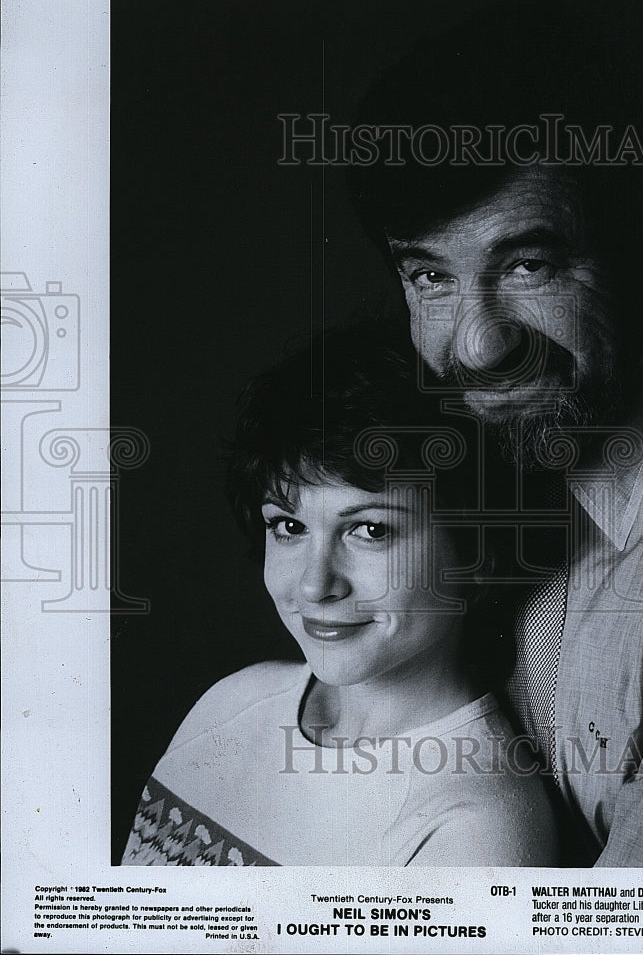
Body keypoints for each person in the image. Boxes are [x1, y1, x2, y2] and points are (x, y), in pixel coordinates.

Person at [347, 0, 643, 866]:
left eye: (529, 264)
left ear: (642, 246)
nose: (476, 345)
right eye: (429, 277)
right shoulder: (481, 481)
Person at [121, 329, 558, 867]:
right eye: (288, 526)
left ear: (478, 554)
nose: (314, 584)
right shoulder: (233, 702)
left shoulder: (473, 831)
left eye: (370, 530)